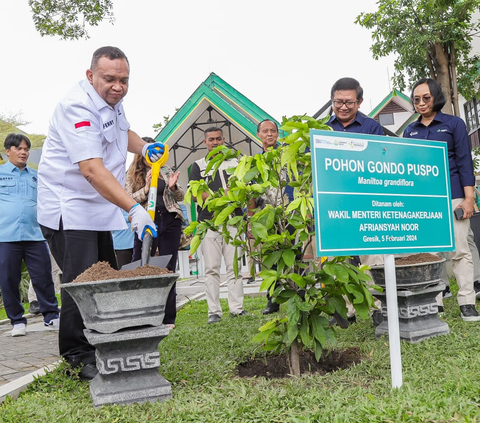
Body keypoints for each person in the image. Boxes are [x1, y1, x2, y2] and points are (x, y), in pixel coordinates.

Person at [37, 46, 165, 380]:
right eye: (110, 79)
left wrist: (143, 148)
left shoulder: (111, 102)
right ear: (91, 75)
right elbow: (92, 170)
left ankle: (104, 342)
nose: (118, 86)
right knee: (82, 282)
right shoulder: (75, 106)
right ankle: (78, 356)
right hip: (68, 207)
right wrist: (134, 208)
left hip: (97, 206)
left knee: (104, 275)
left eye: (124, 80)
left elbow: (122, 132)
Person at [403, 77, 480, 322]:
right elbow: (407, 166)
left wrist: (469, 199)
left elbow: (464, 162)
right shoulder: (410, 130)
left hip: (454, 196)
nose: (421, 103)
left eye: (426, 97)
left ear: (436, 97)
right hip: (424, 201)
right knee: (430, 254)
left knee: (459, 250)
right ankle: (434, 304)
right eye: (416, 99)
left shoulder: (454, 124)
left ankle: (467, 302)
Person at [327, 77, 384, 326]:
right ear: (332, 101)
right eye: (338, 101)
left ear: (359, 102)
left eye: (349, 102)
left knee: (371, 259)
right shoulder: (322, 131)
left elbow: (380, 161)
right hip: (335, 205)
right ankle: (344, 311)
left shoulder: (372, 127)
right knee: (337, 260)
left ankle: (377, 308)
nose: (343, 106)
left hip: (365, 204)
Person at [0, 133, 60, 337]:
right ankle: (17, 320)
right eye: (19, 148)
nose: (23, 152)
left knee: (43, 276)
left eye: (26, 148)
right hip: (6, 237)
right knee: (8, 279)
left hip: (35, 235)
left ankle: (51, 316)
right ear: (8, 151)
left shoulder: (37, 175)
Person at [189, 127, 247, 324]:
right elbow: (197, 193)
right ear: (205, 142)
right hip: (209, 223)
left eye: (218, 139)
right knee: (211, 268)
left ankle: (237, 308)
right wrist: (222, 196)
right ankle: (214, 311)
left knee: (235, 267)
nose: (215, 142)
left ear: (224, 140)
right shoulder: (198, 166)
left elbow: (242, 189)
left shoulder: (236, 162)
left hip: (233, 221)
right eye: (211, 139)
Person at [126, 136, 184, 328]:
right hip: (145, 221)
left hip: (169, 219)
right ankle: (142, 315)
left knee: (168, 268)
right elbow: (127, 198)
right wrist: (145, 187)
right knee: (140, 266)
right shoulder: (132, 174)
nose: (154, 154)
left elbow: (180, 196)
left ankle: (168, 318)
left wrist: (173, 186)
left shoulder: (165, 170)